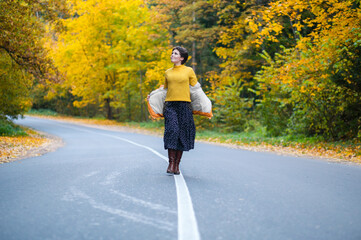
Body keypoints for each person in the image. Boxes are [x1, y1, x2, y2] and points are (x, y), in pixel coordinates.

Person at [163, 46, 198, 175]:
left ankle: (177, 165)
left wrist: (205, 105)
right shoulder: (168, 72)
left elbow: (196, 89)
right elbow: (164, 90)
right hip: (170, 105)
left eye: (175, 53)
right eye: (172, 53)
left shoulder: (189, 71)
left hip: (184, 106)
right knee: (173, 130)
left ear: (181, 58)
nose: (172, 55)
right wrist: (152, 96)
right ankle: (171, 163)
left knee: (182, 133)